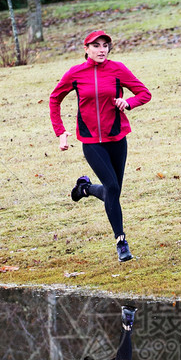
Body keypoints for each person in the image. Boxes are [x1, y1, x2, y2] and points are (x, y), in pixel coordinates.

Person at [49, 30, 151, 263]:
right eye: (96, 46)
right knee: (112, 188)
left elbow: (145, 93)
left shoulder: (118, 69)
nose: (101, 49)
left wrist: (129, 102)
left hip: (117, 138)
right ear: (86, 49)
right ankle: (121, 242)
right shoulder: (75, 74)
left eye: (105, 45)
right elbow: (55, 99)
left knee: (113, 191)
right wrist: (61, 132)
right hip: (92, 141)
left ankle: (84, 188)